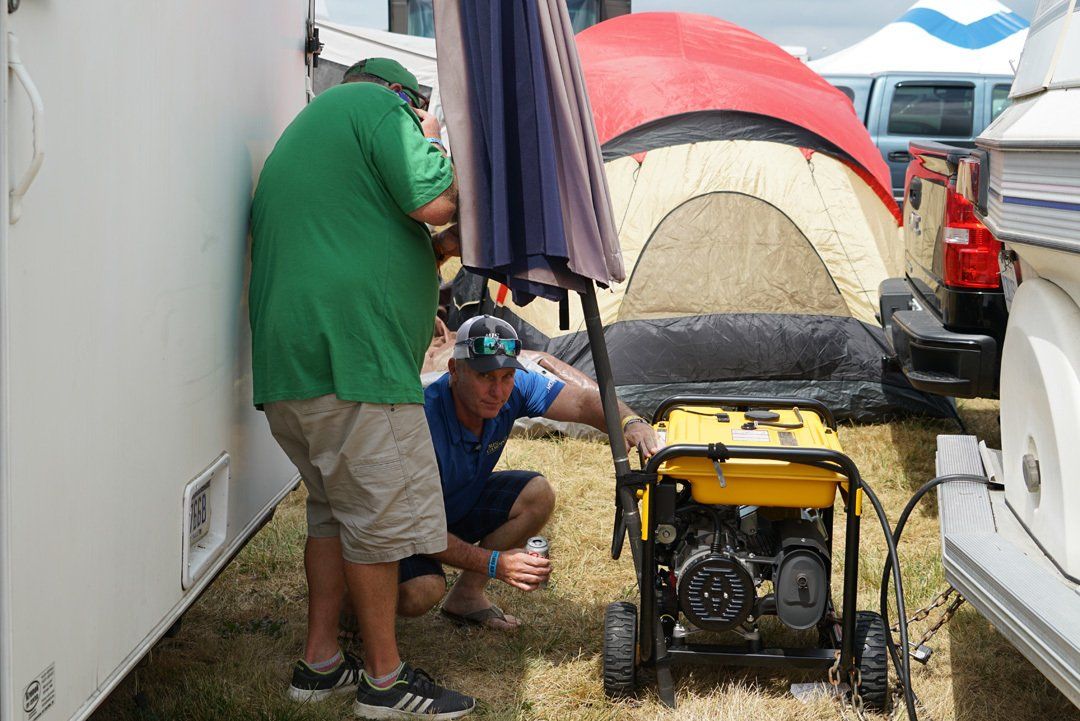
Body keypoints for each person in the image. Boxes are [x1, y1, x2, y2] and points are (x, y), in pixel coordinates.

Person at [249, 57, 475, 718]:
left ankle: (320, 663)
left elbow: (359, 236)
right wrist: (438, 143)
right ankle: (384, 679)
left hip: (295, 371)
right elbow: (433, 198)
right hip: (354, 366)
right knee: (377, 523)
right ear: (401, 97)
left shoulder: (318, 129)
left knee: (332, 514)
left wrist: (428, 257)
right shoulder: (381, 109)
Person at [396, 315, 662, 630]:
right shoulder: (420, 423)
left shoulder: (514, 388)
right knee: (420, 592)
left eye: (506, 376)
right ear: (454, 370)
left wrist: (628, 421)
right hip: (405, 531)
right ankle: (349, 612)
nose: (498, 390)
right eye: (485, 376)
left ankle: (466, 597)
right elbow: (417, 530)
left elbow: (582, 402)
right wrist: (495, 563)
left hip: (451, 508)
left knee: (536, 494)